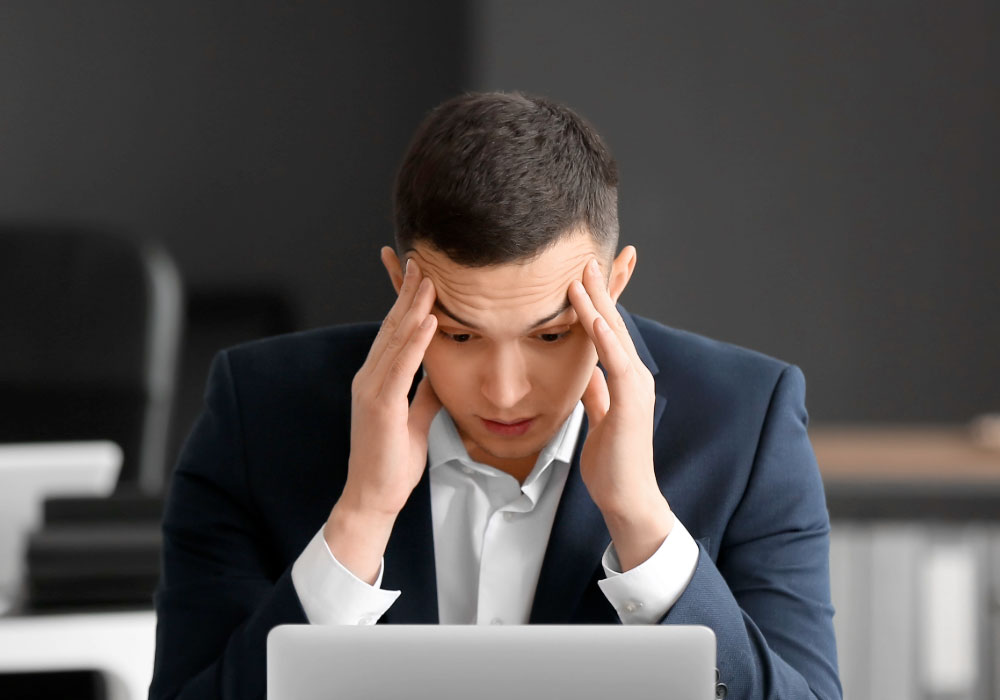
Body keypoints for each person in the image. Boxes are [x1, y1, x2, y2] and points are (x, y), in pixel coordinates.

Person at [149, 92, 841, 700]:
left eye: (550, 336)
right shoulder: (257, 413)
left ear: (617, 281)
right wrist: (360, 519)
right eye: (458, 335)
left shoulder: (747, 422)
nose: (505, 392)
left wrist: (643, 526)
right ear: (401, 286)